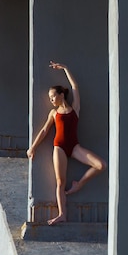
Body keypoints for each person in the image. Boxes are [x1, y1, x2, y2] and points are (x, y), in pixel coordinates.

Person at [27, 61, 107, 225]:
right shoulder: (53, 113)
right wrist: (32, 148)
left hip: (75, 147)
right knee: (60, 182)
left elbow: (75, 86)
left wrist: (65, 69)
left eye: (53, 96)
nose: (51, 100)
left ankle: (79, 184)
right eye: (49, 98)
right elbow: (44, 131)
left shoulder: (75, 108)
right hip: (59, 148)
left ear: (61, 95)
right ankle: (62, 214)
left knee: (101, 165)